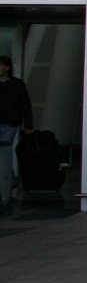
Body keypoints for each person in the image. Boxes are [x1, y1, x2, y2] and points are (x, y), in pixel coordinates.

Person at [0, 55, 35, 211]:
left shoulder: (17, 85)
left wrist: (28, 125)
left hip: (10, 123)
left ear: (7, 68)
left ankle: (8, 183)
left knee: (4, 152)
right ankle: (12, 179)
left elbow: (25, 105)